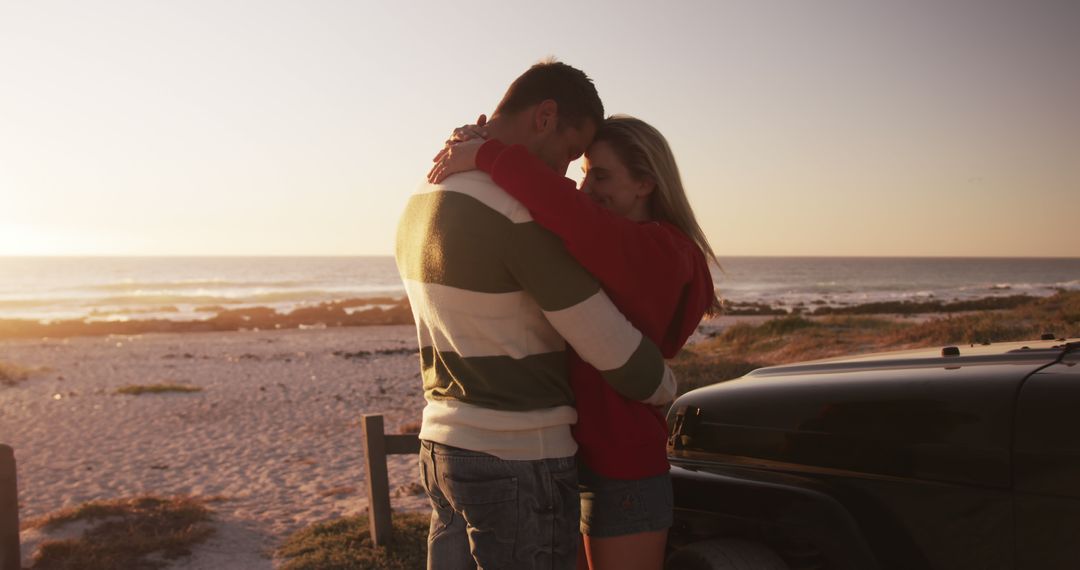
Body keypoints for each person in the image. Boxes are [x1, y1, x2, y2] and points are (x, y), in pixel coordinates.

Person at [396, 60, 678, 570]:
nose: (568, 172)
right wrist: (666, 387)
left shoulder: (424, 193)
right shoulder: (515, 213)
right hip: (516, 458)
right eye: (572, 154)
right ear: (545, 116)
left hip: (441, 450)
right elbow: (612, 349)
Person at [429, 114, 719, 570]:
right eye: (583, 173)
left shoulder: (661, 250)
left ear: (646, 183)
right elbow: (552, 214)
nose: (585, 188)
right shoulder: (609, 246)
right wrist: (481, 142)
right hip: (575, 457)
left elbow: (564, 208)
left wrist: (488, 153)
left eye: (601, 175)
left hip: (624, 465)